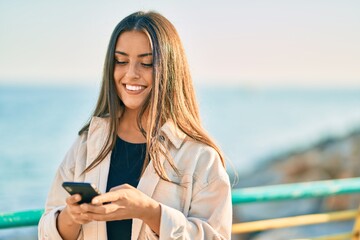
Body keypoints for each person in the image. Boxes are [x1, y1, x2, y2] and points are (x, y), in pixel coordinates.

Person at [38, 11, 232, 240]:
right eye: (121, 61)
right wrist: (71, 216)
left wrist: (150, 212)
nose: (131, 74)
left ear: (170, 70)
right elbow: (47, 232)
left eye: (146, 63)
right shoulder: (88, 142)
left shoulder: (200, 156)